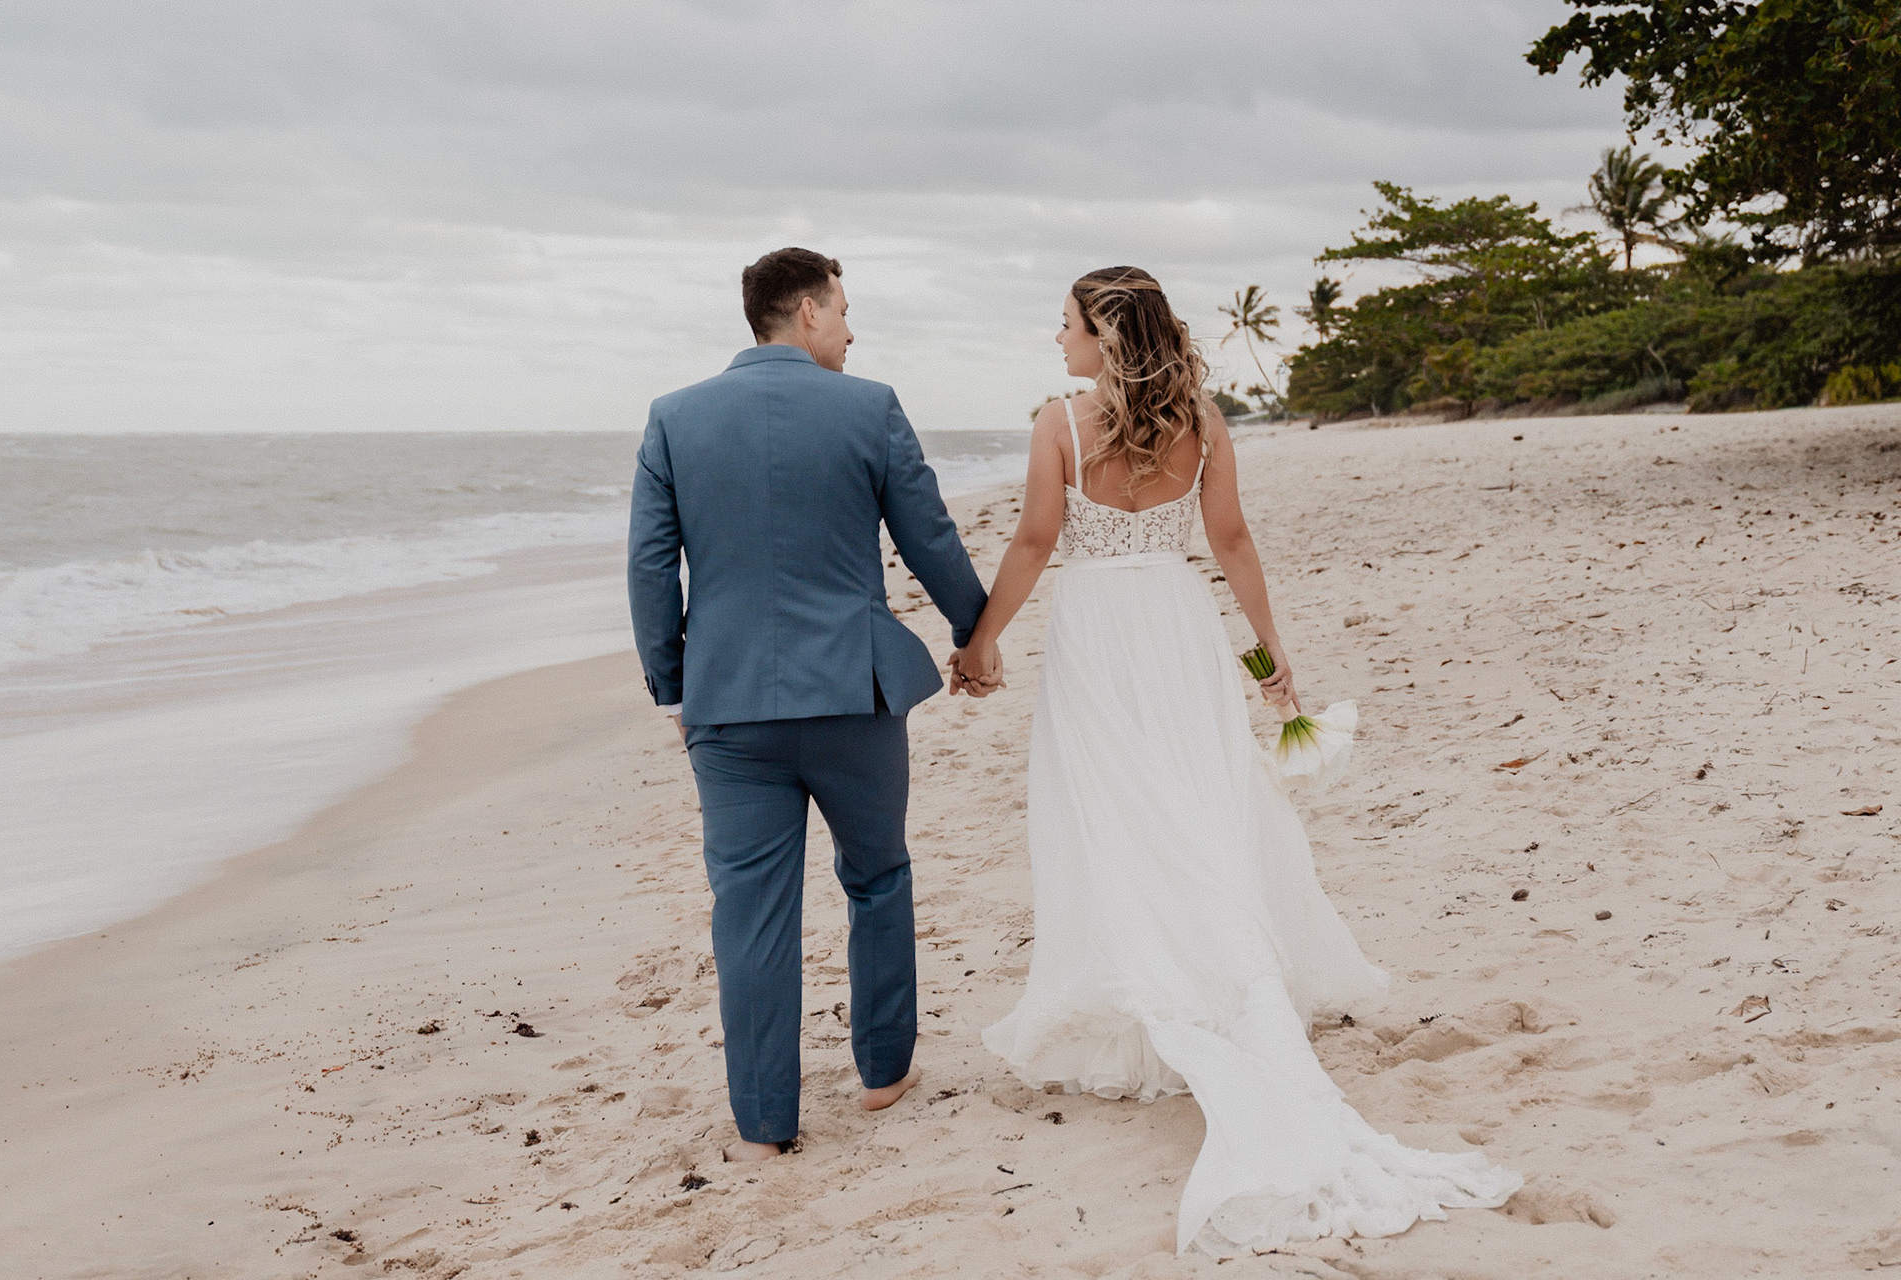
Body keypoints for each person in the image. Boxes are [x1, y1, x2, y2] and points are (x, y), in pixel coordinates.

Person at [951, 266, 1520, 1255]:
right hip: (1177, 627)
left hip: (1096, 636)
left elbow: (1038, 538)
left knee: (1118, 821)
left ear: (1105, 335)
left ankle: (1159, 1000)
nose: (1057, 339)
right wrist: (1270, 657)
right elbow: (1231, 541)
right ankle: (1217, 980)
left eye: (1068, 323)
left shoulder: (1058, 423)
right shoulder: (1201, 416)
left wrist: (980, 643)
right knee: (1199, 812)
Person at [628, 247, 995, 1163]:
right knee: (877, 877)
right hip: (855, 698)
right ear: (805, 313)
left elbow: (647, 567)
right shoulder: (869, 406)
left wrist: (676, 685)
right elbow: (930, 536)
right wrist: (974, 634)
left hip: (730, 709)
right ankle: (882, 1074)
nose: (851, 328)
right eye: (841, 309)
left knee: (749, 910)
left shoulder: (673, 419)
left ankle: (764, 1124)